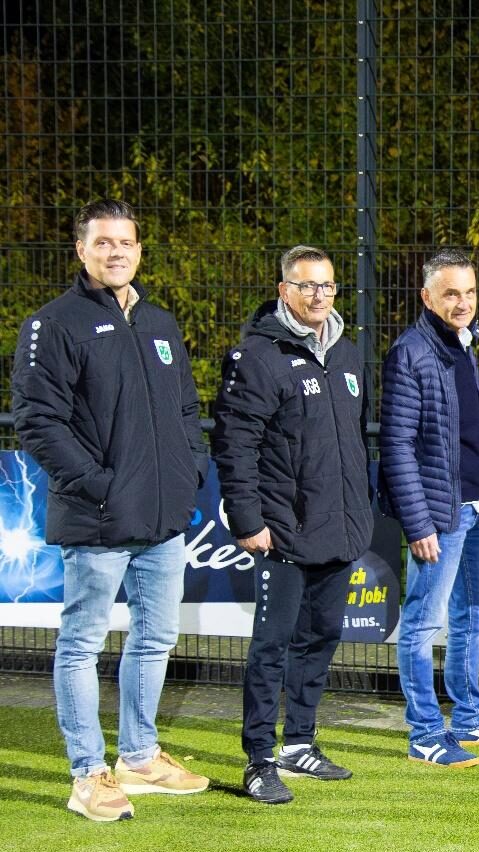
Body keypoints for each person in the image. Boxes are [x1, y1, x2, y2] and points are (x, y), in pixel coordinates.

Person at [11, 199, 210, 821]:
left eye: (125, 242)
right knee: (82, 644)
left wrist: (187, 474)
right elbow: (38, 423)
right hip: (97, 517)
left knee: (155, 639)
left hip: (162, 517)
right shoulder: (54, 323)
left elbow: (185, 410)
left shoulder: (159, 321)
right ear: (81, 251)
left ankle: (140, 757)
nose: (116, 252)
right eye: (103, 243)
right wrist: (101, 485)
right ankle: (86, 775)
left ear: (139, 249)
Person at [211, 246, 373, 804]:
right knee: (272, 646)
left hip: (339, 529)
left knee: (321, 638)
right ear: (284, 291)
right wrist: (248, 519)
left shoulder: (348, 355)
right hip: (281, 531)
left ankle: (299, 743)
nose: (318, 296)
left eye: (326, 287)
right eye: (306, 286)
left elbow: (353, 441)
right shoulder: (257, 357)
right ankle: (259, 758)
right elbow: (234, 445)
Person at [379, 249, 479, 769]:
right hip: (439, 517)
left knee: (471, 614)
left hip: (471, 507)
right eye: (450, 293)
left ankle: (469, 718)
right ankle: (424, 732)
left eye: (468, 292)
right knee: (423, 624)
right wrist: (419, 523)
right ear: (427, 297)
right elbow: (396, 445)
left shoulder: (459, 345)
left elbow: (468, 407)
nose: (462, 302)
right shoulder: (411, 352)